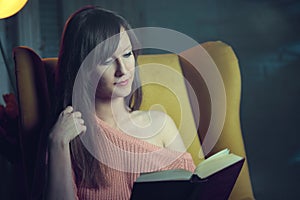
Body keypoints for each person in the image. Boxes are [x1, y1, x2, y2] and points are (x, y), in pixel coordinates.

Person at [44, 6, 195, 200]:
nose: (122, 70)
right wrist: (57, 144)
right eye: (107, 61)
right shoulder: (66, 136)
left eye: (127, 54)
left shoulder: (161, 124)